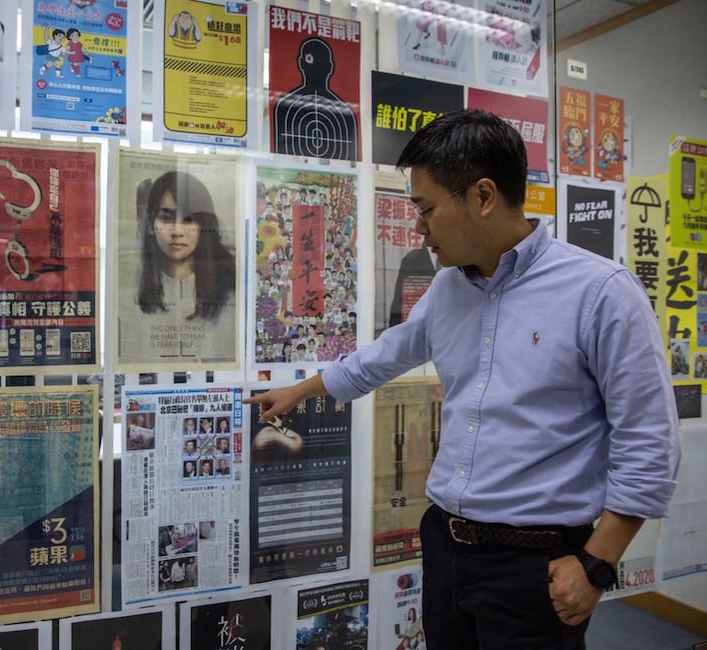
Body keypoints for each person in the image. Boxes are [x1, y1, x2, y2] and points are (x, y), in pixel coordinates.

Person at [246, 109, 680, 649]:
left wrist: (597, 564)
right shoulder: (449, 288)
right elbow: (387, 355)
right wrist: (301, 390)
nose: (419, 228)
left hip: (537, 564)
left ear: (482, 196)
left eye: (426, 209)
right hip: (447, 546)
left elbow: (649, 440)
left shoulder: (601, 294)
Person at [121, 170, 237, 363]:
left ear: (204, 225)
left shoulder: (230, 289)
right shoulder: (128, 289)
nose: (176, 231)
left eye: (189, 220)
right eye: (166, 218)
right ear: (151, 223)